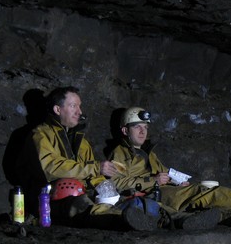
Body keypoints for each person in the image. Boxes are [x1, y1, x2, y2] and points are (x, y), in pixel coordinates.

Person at [108, 106, 231, 227]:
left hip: (166, 191)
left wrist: (176, 182)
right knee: (204, 193)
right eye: (137, 127)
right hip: (152, 196)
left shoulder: (149, 154)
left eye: (145, 127)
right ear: (125, 131)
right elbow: (117, 183)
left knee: (205, 198)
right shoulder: (120, 154)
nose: (143, 131)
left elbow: (166, 173)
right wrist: (151, 181)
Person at [26, 86, 163, 231]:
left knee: (130, 200)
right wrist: (95, 168)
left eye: (80, 106)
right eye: (73, 106)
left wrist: (110, 191)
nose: (79, 111)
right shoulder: (40, 135)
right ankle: (124, 219)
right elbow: (50, 168)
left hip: (83, 192)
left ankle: (175, 218)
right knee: (83, 204)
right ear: (58, 109)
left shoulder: (81, 141)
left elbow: (94, 174)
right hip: (51, 199)